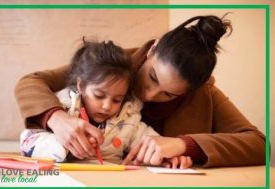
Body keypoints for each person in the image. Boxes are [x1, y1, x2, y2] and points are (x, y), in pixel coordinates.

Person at [15, 14, 265, 168]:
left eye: (169, 94)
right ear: (153, 49)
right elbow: (31, 82)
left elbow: (257, 144)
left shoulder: (204, 93)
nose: (148, 95)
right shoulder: (111, 65)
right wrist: (59, 119)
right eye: (152, 77)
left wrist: (184, 145)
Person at [19, 40, 192, 168]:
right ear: (82, 85)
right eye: (99, 95)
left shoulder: (129, 119)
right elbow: (28, 140)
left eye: (117, 99)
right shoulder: (62, 105)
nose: (107, 106)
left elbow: (151, 143)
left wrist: (167, 157)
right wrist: (62, 147)